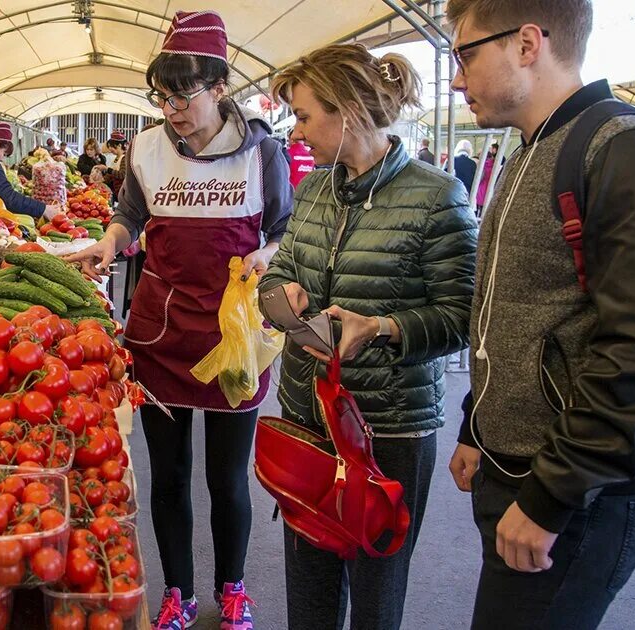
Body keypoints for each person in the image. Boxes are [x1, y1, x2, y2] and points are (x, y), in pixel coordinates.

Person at [446, 1, 635, 628]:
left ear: (527, 43)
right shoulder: (530, 150)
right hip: (528, 464)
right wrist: (477, 422)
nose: (456, 79)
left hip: (588, 490)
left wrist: (553, 495)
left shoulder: (625, 147)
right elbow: (514, 309)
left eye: (465, 54)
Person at [66, 11, 292, 630]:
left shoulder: (263, 154)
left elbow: (283, 233)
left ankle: (234, 587)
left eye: (184, 94)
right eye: (161, 96)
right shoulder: (144, 148)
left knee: (226, 478)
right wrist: (111, 243)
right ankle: (179, 592)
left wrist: (264, 256)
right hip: (159, 333)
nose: (172, 109)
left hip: (233, 337)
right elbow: (128, 217)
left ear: (219, 86)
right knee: (168, 473)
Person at [260, 43, 478, 630]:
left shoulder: (437, 198)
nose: (296, 131)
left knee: (377, 591)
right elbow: (277, 278)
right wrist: (283, 301)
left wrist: (380, 328)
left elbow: (461, 316)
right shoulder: (312, 192)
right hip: (309, 419)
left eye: (304, 116)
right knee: (308, 589)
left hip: (387, 430)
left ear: (348, 111)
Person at [474, 142, 499, 214]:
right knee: (485, 212)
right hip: (490, 191)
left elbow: (479, 178)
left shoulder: (481, 165)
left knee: (476, 211)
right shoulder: (495, 165)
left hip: (480, 190)